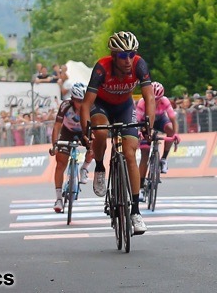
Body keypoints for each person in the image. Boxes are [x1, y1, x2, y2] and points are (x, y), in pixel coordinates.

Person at [81, 31, 155, 236]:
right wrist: (86, 129)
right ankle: (99, 167)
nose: (128, 60)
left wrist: (149, 123)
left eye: (131, 54)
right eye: (123, 56)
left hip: (124, 107)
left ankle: (136, 212)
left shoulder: (139, 65)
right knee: (102, 134)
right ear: (114, 56)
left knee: (130, 153)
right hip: (101, 106)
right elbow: (86, 104)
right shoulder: (101, 68)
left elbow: (150, 98)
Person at [49, 83, 94, 213]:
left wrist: (90, 139)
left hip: (84, 131)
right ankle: (58, 199)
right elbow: (57, 126)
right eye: (79, 101)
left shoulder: (90, 107)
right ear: (73, 99)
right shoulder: (65, 106)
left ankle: (84, 168)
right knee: (60, 163)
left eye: (83, 101)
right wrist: (55, 145)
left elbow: (94, 127)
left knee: (95, 148)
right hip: (67, 132)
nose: (81, 104)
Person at [136, 81, 178, 182]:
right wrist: (139, 133)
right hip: (144, 122)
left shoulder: (165, 101)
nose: (155, 102)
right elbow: (136, 122)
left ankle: (163, 158)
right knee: (145, 153)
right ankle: (141, 184)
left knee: (170, 129)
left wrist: (175, 134)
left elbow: (173, 120)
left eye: (157, 100)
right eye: (152, 99)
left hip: (159, 120)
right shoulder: (142, 103)